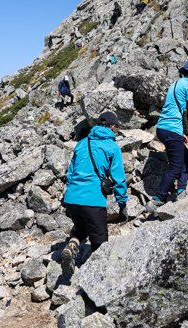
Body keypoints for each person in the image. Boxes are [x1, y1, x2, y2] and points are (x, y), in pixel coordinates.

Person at [61, 111, 129, 275]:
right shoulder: (112, 147)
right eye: (116, 127)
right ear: (112, 126)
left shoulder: (82, 143)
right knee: (100, 243)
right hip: (93, 200)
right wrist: (122, 203)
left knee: (81, 228)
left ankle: (72, 245)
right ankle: (98, 281)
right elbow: (118, 178)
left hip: (71, 199)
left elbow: (70, 174)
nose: (117, 131)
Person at [146, 60, 188, 212]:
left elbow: (172, 109)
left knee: (187, 159)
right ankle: (157, 199)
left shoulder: (175, 84)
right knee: (176, 166)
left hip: (163, 128)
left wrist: (181, 134)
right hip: (171, 129)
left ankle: (181, 190)